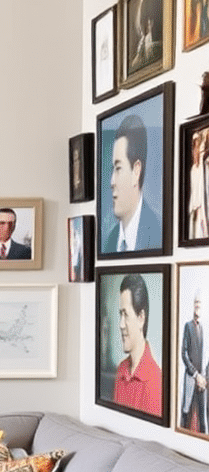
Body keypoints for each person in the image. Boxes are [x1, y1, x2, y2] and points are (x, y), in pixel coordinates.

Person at [103, 115, 162, 252]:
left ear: (136, 171)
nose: (112, 182)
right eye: (113, 169)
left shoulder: (158, 231)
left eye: (118, 169)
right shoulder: (109, 241)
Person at [113, 271, 162, 416]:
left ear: (141, 318)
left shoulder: (156, 382)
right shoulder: (121, 370)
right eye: (120, 314)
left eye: (126, 314)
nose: (121, 324)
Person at [181, 293, 208, 433]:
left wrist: (203, 379)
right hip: (191, 379)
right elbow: (183, 354)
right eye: (195, 302)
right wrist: (196, 374)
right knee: (186, 414)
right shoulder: (188, 326)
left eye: (200, 302)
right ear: (193, 305)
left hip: (202, 382)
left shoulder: (204, 328)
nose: (197, 305)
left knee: (203, 420)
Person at [189, 130, 208, 241]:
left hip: (203, 207)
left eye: (197, 147)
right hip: (196, 208)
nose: (195, 152)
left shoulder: (204, 165)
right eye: (194, 147)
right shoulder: (193, 169)